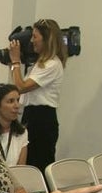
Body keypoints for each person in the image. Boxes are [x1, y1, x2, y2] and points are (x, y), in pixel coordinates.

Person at [8, 18, 67, 170]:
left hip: (42, 119)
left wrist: (15, 62)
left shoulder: (52, 64)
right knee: (28, 166)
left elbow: (20, 87)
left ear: (47, 40)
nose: (32, 41)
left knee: (39, 167)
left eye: (35, 36)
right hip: (31, 116)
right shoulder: (39, 64)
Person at [0, 83, 30, 167]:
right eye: (11, 101)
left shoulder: (22, 132)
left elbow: (21, 169)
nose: (17, 105)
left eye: (18, 100)